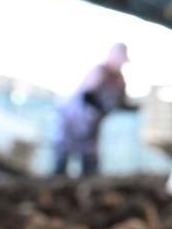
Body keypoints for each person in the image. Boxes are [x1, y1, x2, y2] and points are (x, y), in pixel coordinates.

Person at [52, 43, 133, 176]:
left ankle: (86, 188)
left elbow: (121, 103)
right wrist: (99, 109)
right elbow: (87, 95)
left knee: (89, 161)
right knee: (63, 157)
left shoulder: (120, 80)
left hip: (92, 125)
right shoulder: (99, 71)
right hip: (73, 121)